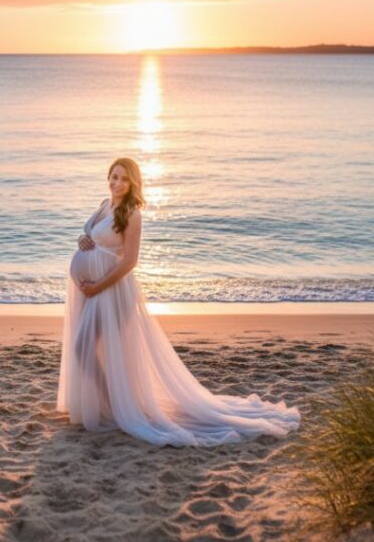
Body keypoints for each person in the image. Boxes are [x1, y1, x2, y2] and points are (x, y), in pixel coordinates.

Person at [56, 157, 301, 446]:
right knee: (89, 348)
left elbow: (130, 261)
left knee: (83, 346)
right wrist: (83, 242)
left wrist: (98, 286)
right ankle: (112, 401)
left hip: (113, 292)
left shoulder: (132, 213)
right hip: (95, 290)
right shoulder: (104, 205)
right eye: (113, 176)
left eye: (123, 178)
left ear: (133, 183)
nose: (117, 183)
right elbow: (97, 240)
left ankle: (113, 403)